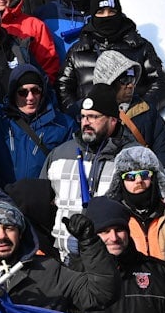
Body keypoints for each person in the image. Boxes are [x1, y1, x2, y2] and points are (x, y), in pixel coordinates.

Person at [55, 0, 165, 113]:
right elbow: (62, 88)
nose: (106, 16)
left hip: (131, 124)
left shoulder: (140, 46)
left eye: (111, 11)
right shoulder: (77, 51)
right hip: (91, 126)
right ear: (93, 16)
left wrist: (139, 110)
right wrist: (81, 115)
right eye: (101, 12)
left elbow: (161, 84)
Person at [79, 196, 165, 313]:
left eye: (119, 230)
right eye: (105, 231)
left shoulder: (160, 273)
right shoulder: (75, 275)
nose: (114, 237)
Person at [0, 64, 73, 188]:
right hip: (4, 198)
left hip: (43, 201)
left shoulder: (63, 124)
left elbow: (71, 165)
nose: (30, 97)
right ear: (13, 93)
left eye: (36, 90)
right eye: (23, 92)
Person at [43, 86, 127, 226]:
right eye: (83, 116)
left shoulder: (132, 156)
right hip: (64, 246)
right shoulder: (59, 154)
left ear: (113, 120)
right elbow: (42, 203)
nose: (86, 122)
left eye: (93, 117)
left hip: (111, 243)